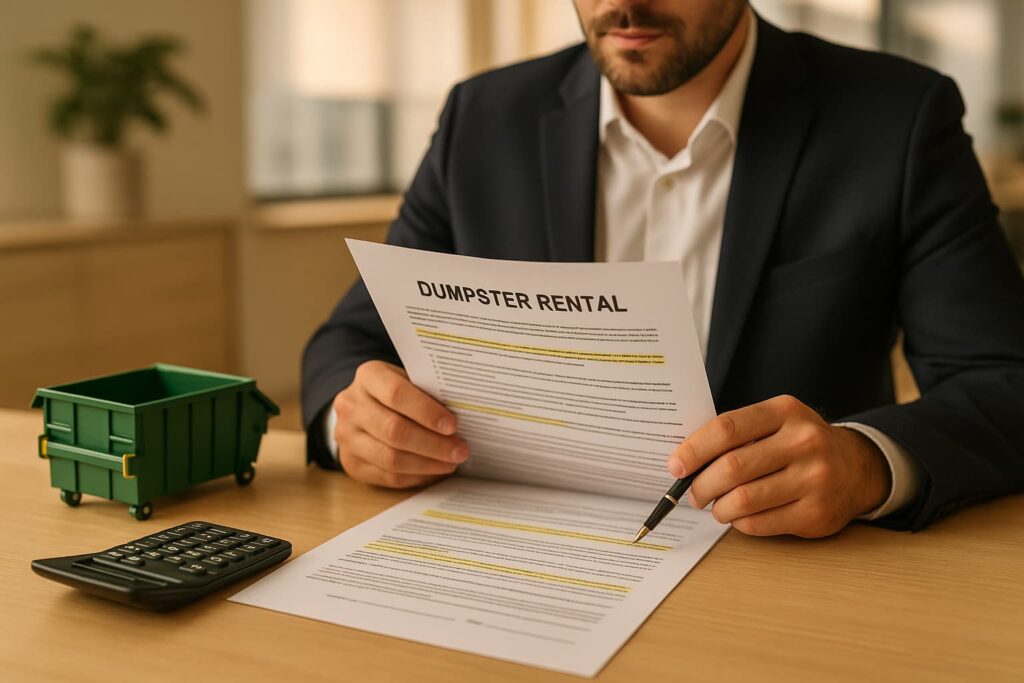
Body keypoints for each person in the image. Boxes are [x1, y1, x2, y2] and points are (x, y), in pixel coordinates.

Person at [302, 0, 1024, 536]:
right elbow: (348, 341)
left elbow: (1003, 380)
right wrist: (351, 420)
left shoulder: (897, 117)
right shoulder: (484, 117)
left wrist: (865, 462)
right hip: (511, 557)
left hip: (791, 583)